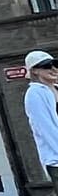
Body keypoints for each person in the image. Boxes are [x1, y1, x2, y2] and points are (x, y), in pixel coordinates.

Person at [20, 51, 58, 183]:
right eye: (47, 66)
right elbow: (45, 128)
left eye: (55, 64)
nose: (53, 69)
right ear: (35, 70)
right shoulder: (35, 93)